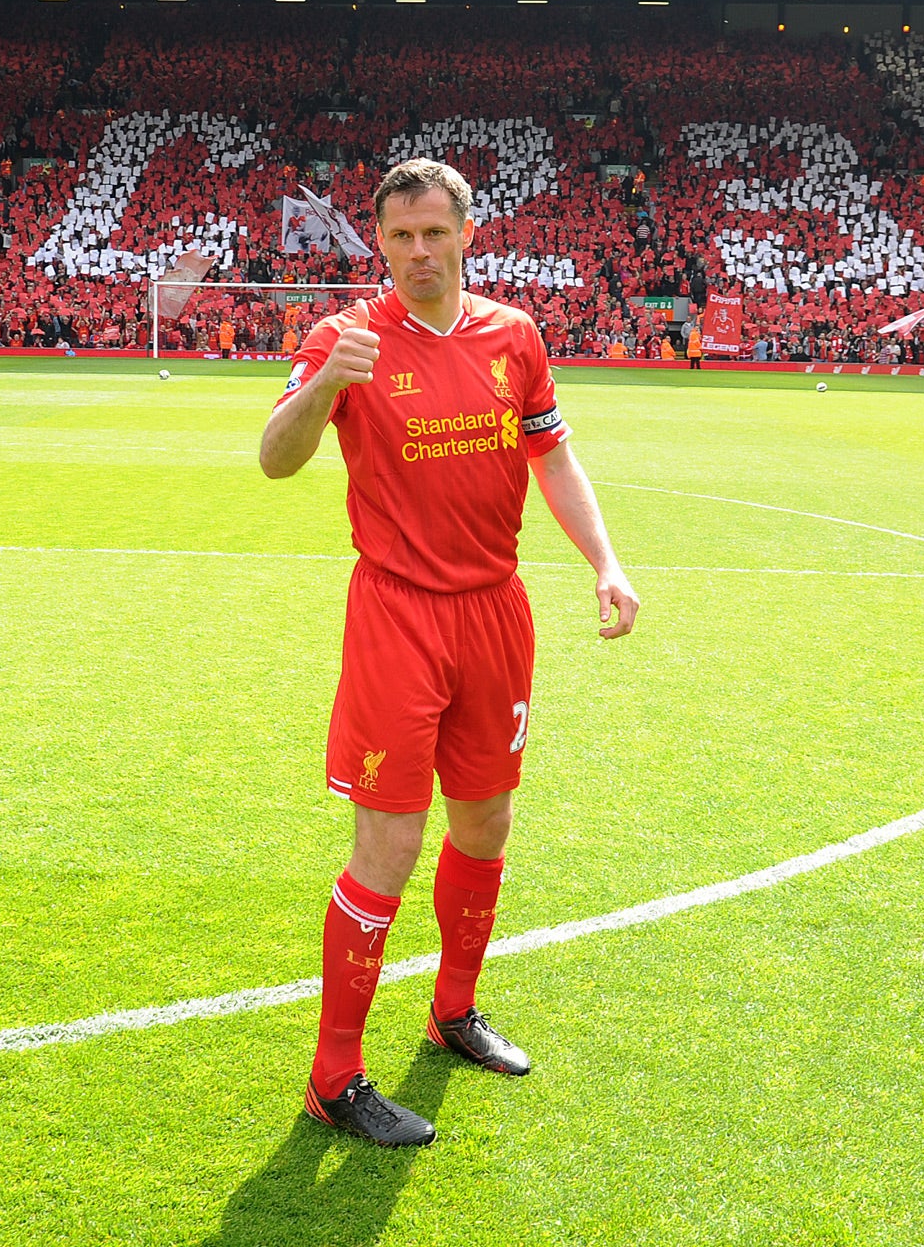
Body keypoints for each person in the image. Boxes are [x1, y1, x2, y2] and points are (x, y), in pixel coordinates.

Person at [259, 158, 640, 1149]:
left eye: (434, 234)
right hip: (395, 617)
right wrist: (320, 391)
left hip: (493, 614)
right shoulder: (343, 339)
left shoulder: (514, 336)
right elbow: (272, 455)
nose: (418, 253)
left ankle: (453, 1010)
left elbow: (550, 453)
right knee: (386, 846)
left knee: (485, 821)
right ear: (376, 243)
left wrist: (604, 561)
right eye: (399, 238)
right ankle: (333, 1076)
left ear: (467, 233)